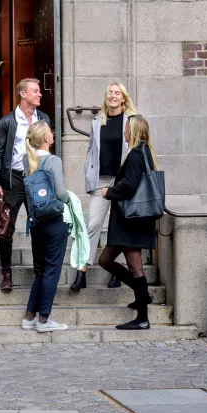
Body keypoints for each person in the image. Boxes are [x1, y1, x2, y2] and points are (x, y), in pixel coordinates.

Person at [72, 82, 138, 291]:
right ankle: (82, 272)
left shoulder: (132, 121)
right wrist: (88, 172)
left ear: (123, 99)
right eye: (109, 92)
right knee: (92, 225)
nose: (112, 96)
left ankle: (115, 271)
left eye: (117, 93)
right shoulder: (97, 120)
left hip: (122, 183)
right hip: (100, 181)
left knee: (119, 229)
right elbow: (92, 149)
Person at [98, 115, 158, 331]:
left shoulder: (135, 154)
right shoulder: (144, 152)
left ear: (132, 131)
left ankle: (142, 318)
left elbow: (130, 186)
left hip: (130, 220)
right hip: (130, 221)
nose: (123, 131)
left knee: (135, 266)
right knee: (105, 260)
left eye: (126, 128)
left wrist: (109, 192)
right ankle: (143, 295)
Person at [0, 78, 50, 291]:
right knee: (6, 227)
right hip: (13, 179)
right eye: (35, 91)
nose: (40, 94)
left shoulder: (43, 119)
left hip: (36, 178)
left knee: (39, 225)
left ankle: (39, 272)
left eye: (39, 91)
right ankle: (6, 273)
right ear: (23, 94)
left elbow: (47, 150)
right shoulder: (6, 122)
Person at [20, 121, 69, 333]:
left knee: (41, 270)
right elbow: (60, 193)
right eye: (50, 130)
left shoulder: (26, 159)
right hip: (54, 221)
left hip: (36, 221)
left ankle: (30, 316)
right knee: (52, 270)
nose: (52, 132)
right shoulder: (53, 160)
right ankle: (44, 318)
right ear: (47, 139)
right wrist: (71, 198)